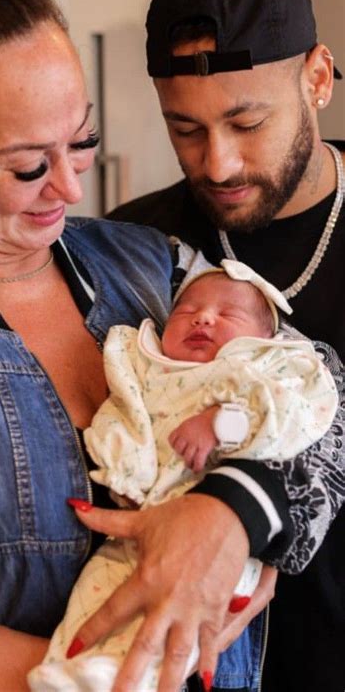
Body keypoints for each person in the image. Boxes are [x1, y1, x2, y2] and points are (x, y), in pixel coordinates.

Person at [0, 0, 342, 692]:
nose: (71, 188)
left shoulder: (156, 264)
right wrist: (119, 671)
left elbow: (319, 395)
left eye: (82, 139)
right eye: (29, 165)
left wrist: (230, 518)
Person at [107, 0, 345, 692]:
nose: (217, 164)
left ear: (317, 78)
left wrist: (256, 514)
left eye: (247, 124)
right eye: (186, 130)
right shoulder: (134, 249)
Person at [28, 259, 338, 692]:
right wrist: (124, 466)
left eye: (228, 315)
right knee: (100, 589)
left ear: (267, 339)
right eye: (186, 310)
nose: (204, 316)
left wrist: (221, 422)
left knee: (181, 618)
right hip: (142, 522)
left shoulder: (260, 371)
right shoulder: (151, 368)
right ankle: (69, 665)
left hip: (222, 545)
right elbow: (125, 415)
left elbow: (298, 414)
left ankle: (133, 681)